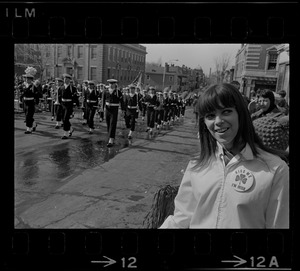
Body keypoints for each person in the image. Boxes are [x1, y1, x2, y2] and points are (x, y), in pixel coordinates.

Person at [160, 83, 289, 229]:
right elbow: (182, 218)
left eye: (226, 112)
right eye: (210, 115)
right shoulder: (197, 164)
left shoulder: (274, 169)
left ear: (241, 114)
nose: (218, 121)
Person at [101, 79, 124, 147]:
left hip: (114, 109)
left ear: (115, 84)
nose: (111, 85)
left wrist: (123, 109)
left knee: (112, 123)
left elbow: (121, 101)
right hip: (107, 109)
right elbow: (103, 100)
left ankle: (111, 139)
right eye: (110, 83)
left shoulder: (118, 92)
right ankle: (110, 136)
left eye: (112, 84)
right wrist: (102, 108)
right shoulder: (105, 91)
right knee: (108, 123)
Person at [58, 73, 75, 139]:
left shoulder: (72, 88)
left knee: (66, 118)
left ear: (69, 80)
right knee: (63, 118)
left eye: (67, 79)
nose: (65, 80)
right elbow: (59, 96)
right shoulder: (61, 88)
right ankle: (70, 128)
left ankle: (66, 133)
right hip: (62, 104)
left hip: (69, 105)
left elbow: (74, 98)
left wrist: (73, 106)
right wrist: (60, 103)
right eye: (65, 79)